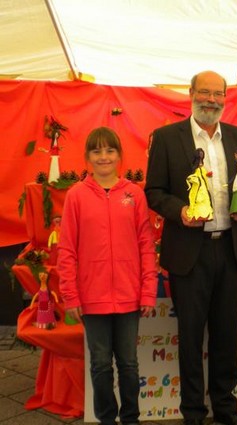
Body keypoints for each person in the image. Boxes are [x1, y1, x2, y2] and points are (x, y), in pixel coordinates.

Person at [145, 70, 237, 425]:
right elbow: (154, 191)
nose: (211, 100)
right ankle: (193, 413)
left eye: (218, 94)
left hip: (229, 250)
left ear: (226, 97)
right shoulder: (166, 138)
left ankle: (225, 408)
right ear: (191, 94)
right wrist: (178, 211)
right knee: (191, 339)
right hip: (188, 253)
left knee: (227, 336)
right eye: (204, 93)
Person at [57, 126, 158, 425]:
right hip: (92, 298)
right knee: (101, 364)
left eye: (110, 150)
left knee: (128, 363)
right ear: (87, 156)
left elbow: (146, 246)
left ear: (119, 155)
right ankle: (105, 418)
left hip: (129, 297)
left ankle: (130, 418)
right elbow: (67, 251)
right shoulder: (75, 196)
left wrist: (148, 291)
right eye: (97, 151)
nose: (104, 157)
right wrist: (71, 295)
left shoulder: (134, 194)